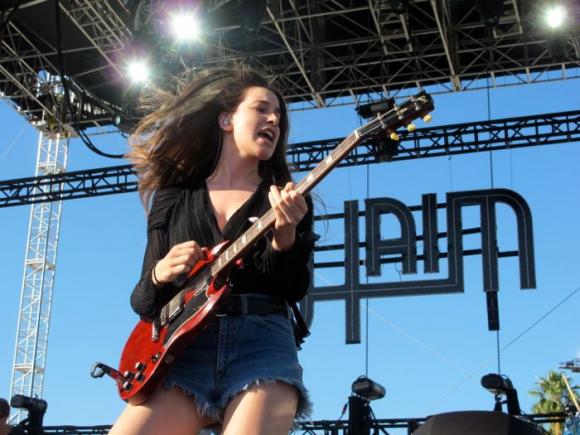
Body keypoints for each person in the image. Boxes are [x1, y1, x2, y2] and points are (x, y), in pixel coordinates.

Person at [108, 64, 316, 435]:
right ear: (226, 119)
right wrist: (160, 274)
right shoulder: (174, 196)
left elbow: (294, 287)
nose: (274, 119)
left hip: (262, 341)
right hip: (184, 351)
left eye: (279, 116)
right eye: (261, 108)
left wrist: (285, 238)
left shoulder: (285, 198)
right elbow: (143, 303)